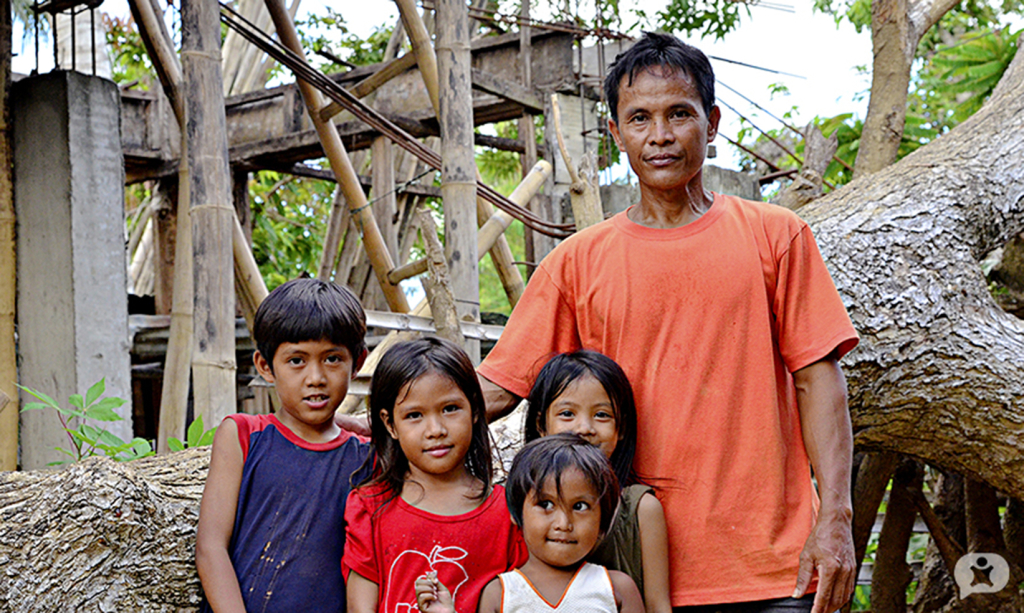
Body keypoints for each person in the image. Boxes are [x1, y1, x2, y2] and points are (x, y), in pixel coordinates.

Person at [476, 32, 859, 613]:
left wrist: (836, 518)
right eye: (640, 118)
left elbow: (819, 382)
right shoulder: (576, 263)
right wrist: (365, 421)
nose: (660, 135)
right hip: (629, 571)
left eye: (679, 113)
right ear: (616, 134)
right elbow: (499, 389)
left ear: (712, 122)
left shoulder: (777, 236)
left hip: (777, 566)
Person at [195, 277, 371, 613]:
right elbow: (211, 546)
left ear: (358, 363)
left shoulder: (365, 456)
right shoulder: (243, 435)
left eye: (333, 359)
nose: (316, 377)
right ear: (265, 366)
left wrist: (370, 427)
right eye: (296, 361)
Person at [343, 337, 528, 613]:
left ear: (475, 410)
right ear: (390, 424)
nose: (436, 429)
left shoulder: (508, 514)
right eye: (414, 415)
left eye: (450, 409)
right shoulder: (370, 508)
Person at [414, 434, 645, 613]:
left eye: (580, 506)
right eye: (546, 504)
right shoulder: (500, 594)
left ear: (603, 519)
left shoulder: (616, 589)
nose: (563, 523)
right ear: (516, 512)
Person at [524, 350, 671, 613]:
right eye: (567, 413)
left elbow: (658, 606)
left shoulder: (641, 510)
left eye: (602, 415)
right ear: (541, 425)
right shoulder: (524, 502)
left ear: (621, 428)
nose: (584, 428)